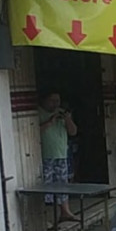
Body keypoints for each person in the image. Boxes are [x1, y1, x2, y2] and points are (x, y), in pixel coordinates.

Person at [37, 90, 78, 222]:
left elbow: (73, 132)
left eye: (57, 101)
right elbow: (34, 130)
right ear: (44, 100)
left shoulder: (61, 113)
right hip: (45, 155)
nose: (55, 104)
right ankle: (47, 218)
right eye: (52, 101)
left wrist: (67, 119)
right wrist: (50, 122)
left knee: (62, 184)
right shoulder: (38, 113)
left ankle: (65, 211)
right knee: (47, 187)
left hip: (61, 154)